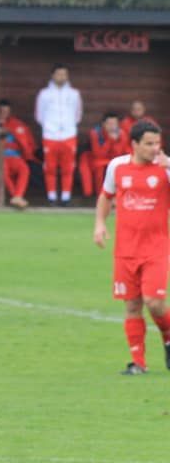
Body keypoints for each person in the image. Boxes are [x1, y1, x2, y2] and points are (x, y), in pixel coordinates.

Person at [93, 120, 170, 375]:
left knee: (155, 302)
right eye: (149, 143)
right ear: (134, 144)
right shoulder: (117, 167)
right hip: (125, 250)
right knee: (132, 306)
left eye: (157, 143)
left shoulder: (165, 170)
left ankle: (168, 338)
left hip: (156, 248)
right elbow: (106, 196)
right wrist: (100, 224)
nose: (154, 148)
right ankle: (139, 363)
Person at [35, 63, 82, 206]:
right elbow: (39, 115)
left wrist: (68, 126)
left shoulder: (74, 94)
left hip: (69, 134)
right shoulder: (44, 94)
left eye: (64, 74)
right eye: (59, 74)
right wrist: (50, 127)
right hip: (50, 135)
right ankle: (51, 196)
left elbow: (77, 114)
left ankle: (66, 196)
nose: (61, 77)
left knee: (68, 166)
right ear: (53, 75)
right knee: (50, 167)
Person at [0, 99, 36, 209]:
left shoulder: (16, 124)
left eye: (7, 111)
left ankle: (17, 196)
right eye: (2, 111)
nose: (4, 114)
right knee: (3, 171)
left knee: (24, 169)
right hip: (2, 157)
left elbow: (27, 142)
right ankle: (16, 197)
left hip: (15, 157)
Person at [78, 112, 129, 198]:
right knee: (100, 168)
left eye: (114, 123)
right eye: (109, 123)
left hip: (113, 160)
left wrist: (115, 140)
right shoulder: (96, 133)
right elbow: (98, 154)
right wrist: (110, 140)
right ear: (103, 124)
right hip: (94, 160)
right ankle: (101, 195)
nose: (112, 126)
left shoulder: (122, 134)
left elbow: (119, 153)